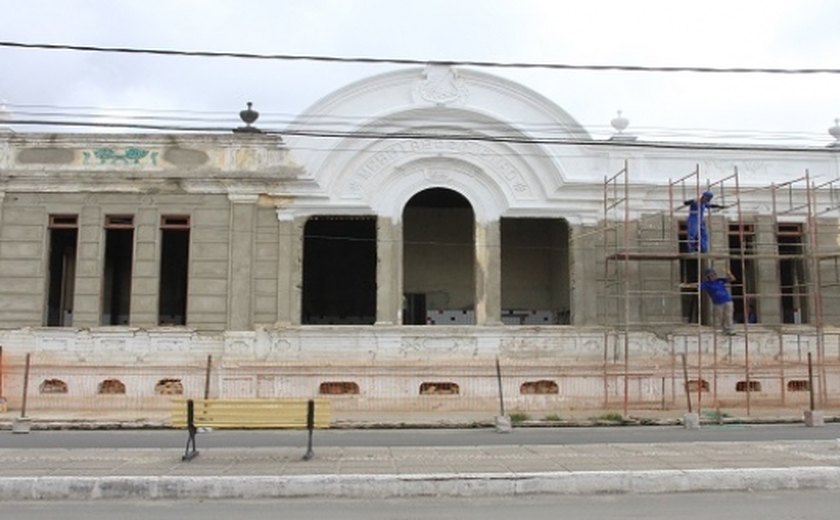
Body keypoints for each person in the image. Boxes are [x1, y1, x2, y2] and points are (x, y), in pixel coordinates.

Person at [700, 267, 736, 335]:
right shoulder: (706, 284)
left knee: (728, 315)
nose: (714, 276)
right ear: (708, 277)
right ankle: (723, 330)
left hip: (727, 300)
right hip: (718, 303)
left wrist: (728, 273)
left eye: (714, 274)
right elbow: (698, 286)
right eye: (712, 275)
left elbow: (733, 279)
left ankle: (730, 330)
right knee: (720, 317)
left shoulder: (720, 280)